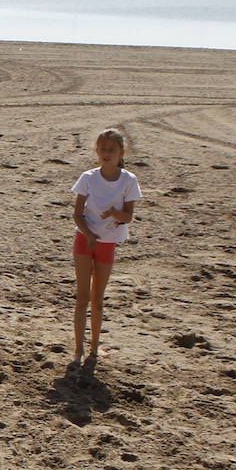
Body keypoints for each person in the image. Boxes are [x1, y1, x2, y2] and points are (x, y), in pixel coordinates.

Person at [70, 127, 142, 369]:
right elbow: (77, 215)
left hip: (108, 243)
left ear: (122, 152)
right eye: (102, 149)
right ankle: (78, 349)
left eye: (111, 150)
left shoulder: (128, 180)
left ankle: (94, 346)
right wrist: (89, 234)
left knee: (97, 300)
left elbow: (129, 217)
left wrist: (114, 213)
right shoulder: (88, 178)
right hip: (84, 241)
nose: (106, 153)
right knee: (82, 298)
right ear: (97, 152)